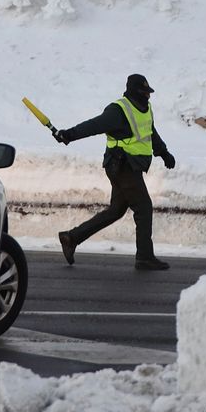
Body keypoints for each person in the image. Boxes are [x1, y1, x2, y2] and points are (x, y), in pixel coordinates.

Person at [54, 74, 176, 270]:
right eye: (145, 92)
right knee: (143, 208)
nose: (148, 96)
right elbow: (92, 126)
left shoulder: (145, 108)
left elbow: (150, 131)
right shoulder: (118, 111)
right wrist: (68, 134)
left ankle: (71, 237)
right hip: (121, 165)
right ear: (135, 91)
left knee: (116, 210)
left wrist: (163, 152)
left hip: (130, 166)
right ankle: (144, 257)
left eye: (148, 92)